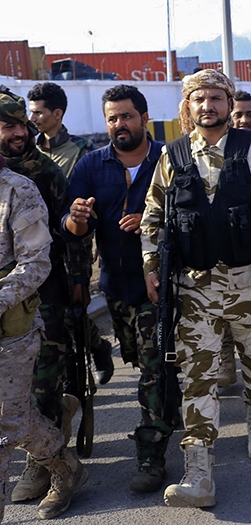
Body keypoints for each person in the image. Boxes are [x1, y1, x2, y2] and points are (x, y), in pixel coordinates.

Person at [140, 69, 251, 508]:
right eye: (199, 99)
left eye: (215, 98)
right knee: (196, 377)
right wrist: (152, 266)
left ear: (229, 104)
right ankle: (200, 474)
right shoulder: (171, 155)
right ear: (188, 107)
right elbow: (153, 216)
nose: (207, 106)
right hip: (194, 288)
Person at [62, 85, 178, 493]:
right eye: (112, 118)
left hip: (161, 286)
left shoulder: (170, 159)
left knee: (152, 370)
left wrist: (152, 218)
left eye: (126, 116)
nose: (119, 125)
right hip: (116, 285)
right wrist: (76, 218)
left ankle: (151, 455)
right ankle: (169, 406)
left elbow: (194, 213)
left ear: (144, 117)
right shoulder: (91, 165)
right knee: (137, 357)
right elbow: (72, 227)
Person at [0, 88, 86, 506]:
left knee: (41, 386)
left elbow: (67, 239)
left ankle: (46, 466)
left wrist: (79, 283)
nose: (19, 132)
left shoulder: (38, 176)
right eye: (9, 125)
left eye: (22, 123)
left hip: (41, 299)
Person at [28, 82, 115, 386]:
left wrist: (86, 263)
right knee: (50, 312)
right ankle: (86, 356)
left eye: (39, 112)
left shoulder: (81, 151)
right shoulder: (27, 149)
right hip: (37, 244)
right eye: (31, 111)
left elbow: (91, 204)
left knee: (72, 306)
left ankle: (96, 348)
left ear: (57, 113)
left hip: (72, 242)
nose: (33, 117)